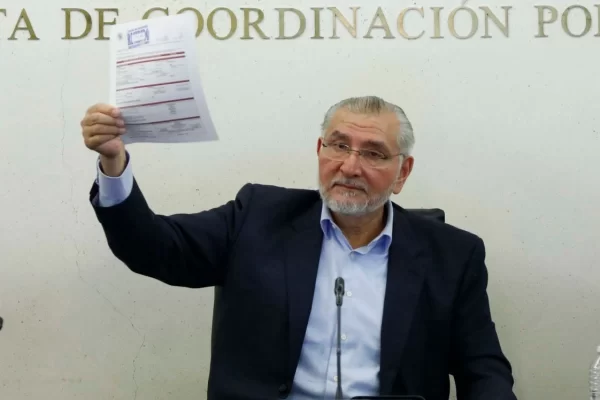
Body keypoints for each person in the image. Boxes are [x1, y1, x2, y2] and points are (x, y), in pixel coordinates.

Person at [81, 96, 518, 400]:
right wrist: (113, 163)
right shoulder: (256, 217)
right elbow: (154, 248)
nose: (350, 166)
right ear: (319, 150)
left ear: (402, 172)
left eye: (373, 154)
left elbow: (483, 369)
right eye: (339, 145)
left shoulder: (453, 254)